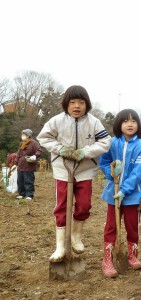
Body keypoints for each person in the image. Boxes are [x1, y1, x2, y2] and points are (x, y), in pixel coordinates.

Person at [37, 85, 111, 262]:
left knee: (84, 205)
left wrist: (86, 152)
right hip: (63, 169)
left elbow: (105, 141)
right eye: (72, 102)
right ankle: (60, 246)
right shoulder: (57, 121)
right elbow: (43, 138)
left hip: (85, 169)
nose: (77, 106)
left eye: (81, 102)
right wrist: (60, 149)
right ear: (66, 104)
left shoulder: (93, 122)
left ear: (87, 104)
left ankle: (76, 237)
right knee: (62, 206)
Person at [99, 109, 141, 277]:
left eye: (134, 121)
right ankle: (107, 260)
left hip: (132, 196)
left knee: (132, 226)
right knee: (111, 226)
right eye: (126, 121)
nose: (130, 124)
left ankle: (132, 256)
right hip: (113, 195)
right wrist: (111, 173)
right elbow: (104, 161)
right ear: (119, 125)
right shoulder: (112, 143)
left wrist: (124, 189)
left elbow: (139, 172)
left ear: (138, 125)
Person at [13, 129, 42, 200]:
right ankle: (21, 194)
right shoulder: (22, 143)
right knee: (20, 181)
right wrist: (15, 163)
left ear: (28, 135)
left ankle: (29, 195)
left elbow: (39, 150)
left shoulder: (34, 143)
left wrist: (35, 156)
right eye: (22, 134)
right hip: (20, 165)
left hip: (29, 165)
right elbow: (19, 154)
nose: (22, 136)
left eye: (24, 134)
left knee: (28, 180)